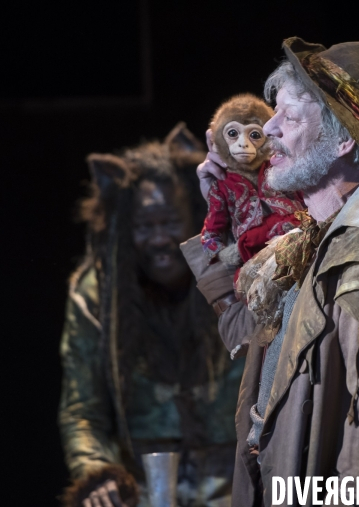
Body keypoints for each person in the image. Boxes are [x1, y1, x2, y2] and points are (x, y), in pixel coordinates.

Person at [183, 38, 359, 506]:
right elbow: (238, 325)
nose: (268, 129)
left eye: (289, 117)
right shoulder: (305, 242)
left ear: (343, 139)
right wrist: (219, 219)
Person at [58, 123, 245, 507]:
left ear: (194, 215)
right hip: (142, 490)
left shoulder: (240, 276)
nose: (160, 239)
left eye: (170, 223)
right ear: (125, 230)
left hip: (237, 485)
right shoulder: (96, 296)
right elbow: (82, 411)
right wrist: (98, 476)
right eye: (145, 226)